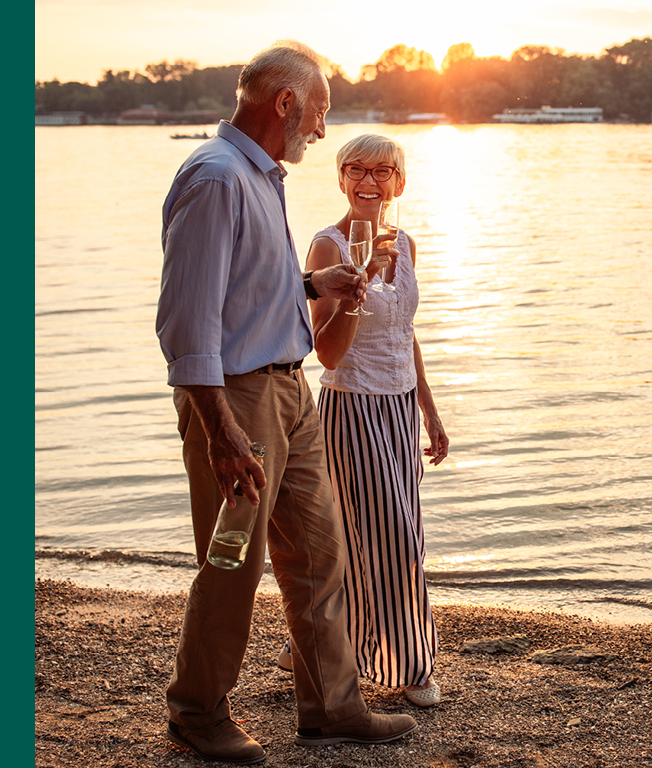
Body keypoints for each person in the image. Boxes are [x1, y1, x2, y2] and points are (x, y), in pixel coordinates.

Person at [155, 39, 417, 765]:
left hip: (289, 389)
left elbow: (243, 289)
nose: (324, 131)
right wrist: (221, 429)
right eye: (322, 111)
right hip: (237, 399)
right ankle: (196, 712)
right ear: (286, 102)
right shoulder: (215, 178)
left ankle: (333, 707)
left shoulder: (260, 176)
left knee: (319, 552)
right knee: (232, 559)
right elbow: (188, 319)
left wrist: (316, 288)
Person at [303, 134, 452, 707]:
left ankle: (316, 642)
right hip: (353, 406)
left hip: (398, 408)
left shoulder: (407, 243)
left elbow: (404, 333)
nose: (369, 181)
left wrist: (430, 413)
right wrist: (357, 287)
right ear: (340, 179)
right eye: (356, 169)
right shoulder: (325, 246)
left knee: (373, 535)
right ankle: (408, 665)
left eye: (382, 170)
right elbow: (327, 353)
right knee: (393, 541)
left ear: (400, 182)